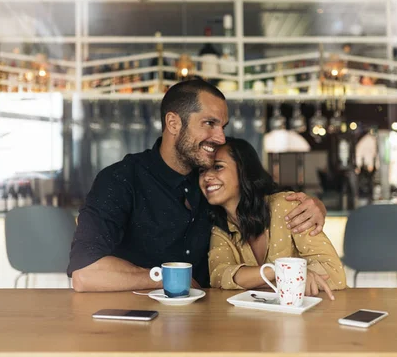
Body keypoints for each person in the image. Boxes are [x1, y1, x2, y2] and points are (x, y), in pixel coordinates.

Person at [68, 79, 328, 292]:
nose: (221, 137)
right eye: (209, 123)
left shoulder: (212, 182)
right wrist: (164, 278)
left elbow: (262, 196)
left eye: (222, 126)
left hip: (211, 321)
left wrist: (314, 205)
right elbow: (85, 273)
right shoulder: (121, 179)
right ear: (173, 123)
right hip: (136, 323)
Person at [204, 137, 346, 299]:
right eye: (202, 170)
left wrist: (253, 279)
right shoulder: (221, 229)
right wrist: (281, 271)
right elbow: (219, 276)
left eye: (218, 167)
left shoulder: (285, 205)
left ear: (244, 170)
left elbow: (334, 274)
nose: (207, 176)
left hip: (321, 311)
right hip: (263, 319)